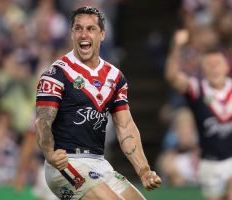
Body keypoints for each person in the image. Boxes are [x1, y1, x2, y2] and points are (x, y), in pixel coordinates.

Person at [35, 6, 161, 200]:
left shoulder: (115, 77)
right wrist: (49, 153)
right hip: (66, 163)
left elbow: (125, 126)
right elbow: (43, 121)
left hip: (99, 163)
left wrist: (143, 170)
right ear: (72, 34)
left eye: (90, 29)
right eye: (78, 28)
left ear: (102, 34)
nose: (84, 34)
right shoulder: (56, 73)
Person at [165, 29, 232, 200]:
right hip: (209, 163)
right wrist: (177, 46)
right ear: (204, 69)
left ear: (227, 66)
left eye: (218, 63)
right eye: (209, 65)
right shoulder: (197, 89)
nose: (214, 68)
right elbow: (172, 77)